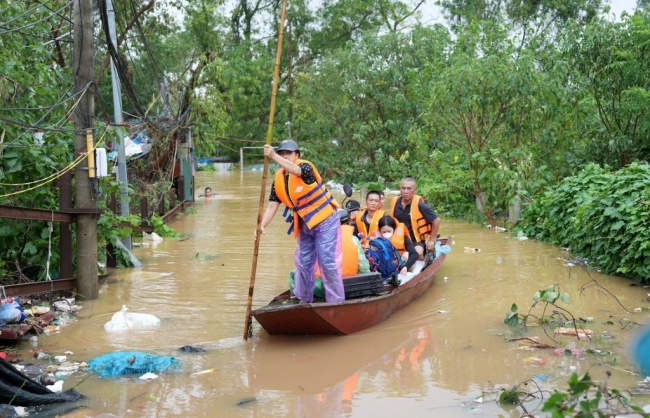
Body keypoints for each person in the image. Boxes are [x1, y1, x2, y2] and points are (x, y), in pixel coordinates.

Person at [258, 140, 344, 303]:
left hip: (325, 221)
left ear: (296, 155)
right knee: (304, 264)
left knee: (327, 263)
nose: (285, 157)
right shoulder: (278, 180)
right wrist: (262, 225)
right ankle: (304, 300)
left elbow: (296, 170)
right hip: (305, 224)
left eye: (288, 154)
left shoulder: (305, 167)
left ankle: (336, 301)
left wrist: (274, 156)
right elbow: (271, 206)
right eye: (282, 153)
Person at [288, 209, 370, 298]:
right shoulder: (354, 239)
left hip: (321, 286)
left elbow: (304, 264)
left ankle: (299, 297)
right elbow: (364, 267)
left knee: (293, 274)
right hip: (348, 284)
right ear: (349, 222)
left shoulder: (317, 237)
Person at [390, 177, 441, 260]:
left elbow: (436, 220)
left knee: (417, 255)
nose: (406, 191)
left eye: (409, 188)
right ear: (400, 189)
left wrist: (431, 240)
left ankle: (423, 262)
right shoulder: (395, 202)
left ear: (414, 190)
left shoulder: (420, 205)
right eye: (403, 188)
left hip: (416, 240)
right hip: (399, 238)